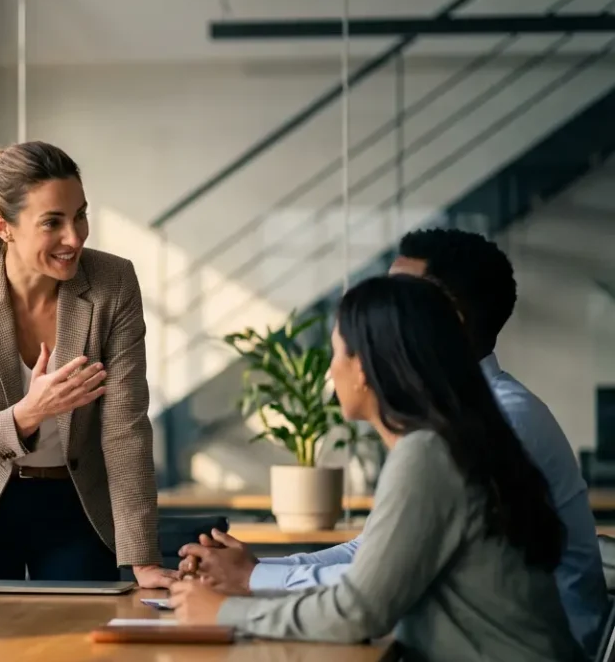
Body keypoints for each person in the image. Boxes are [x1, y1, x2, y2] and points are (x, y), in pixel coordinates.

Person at [175, 228, 607, 654]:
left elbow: (361, 608)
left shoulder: (443, 444)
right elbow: (378, 560)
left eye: (338, 353)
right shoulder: (446, 431)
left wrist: (227, 608)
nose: (330, 372)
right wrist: (253, 572)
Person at [0, 140, 174, 586]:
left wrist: (144, 560)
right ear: (4, 227)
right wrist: (30, 411)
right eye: (53, 222)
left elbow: (125, 430)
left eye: (80, 215)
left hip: (77, 505)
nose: (74, 237)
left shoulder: (113, 284)